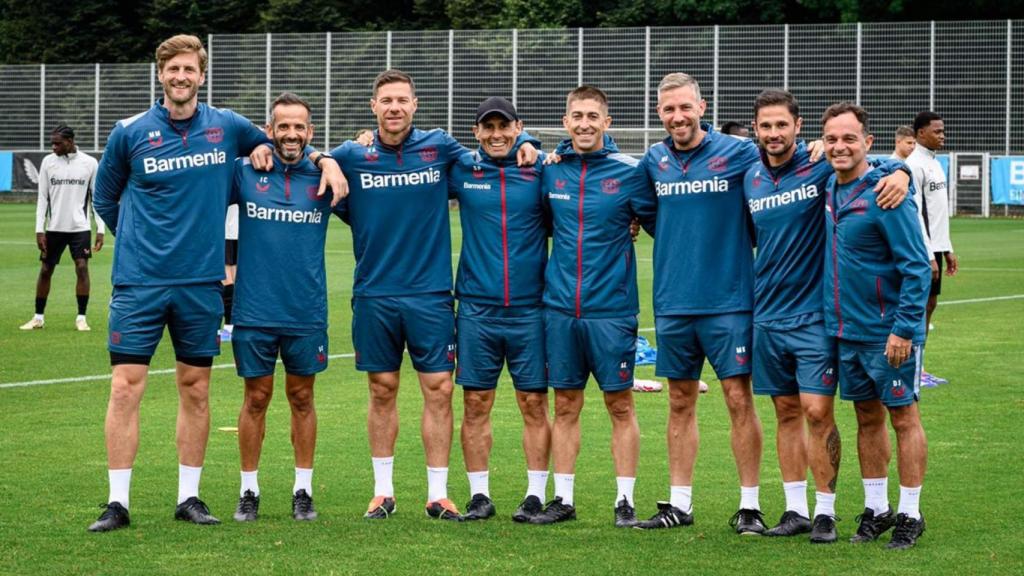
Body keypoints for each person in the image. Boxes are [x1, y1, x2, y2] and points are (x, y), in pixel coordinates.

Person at [88, 34, 345, 533]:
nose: (180, 77)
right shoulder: (129, 132)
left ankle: (189, 496)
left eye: (189, 69)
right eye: (172, 69)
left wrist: (324, 158)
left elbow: (283, 141)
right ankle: (117, 502)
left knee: (196, 389)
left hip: (201, 285)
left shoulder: (226, 126)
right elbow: (105, 196)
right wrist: (138, 241)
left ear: (202, 76)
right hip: (140, 283)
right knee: (125, 388)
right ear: (160, 74)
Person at [330, 69, 536, 522]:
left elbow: (493, 150)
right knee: (382, 390)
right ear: (373, 106)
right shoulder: (351, 155)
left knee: (440, 390)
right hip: (374, 294)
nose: (394, 108)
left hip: (431, 295)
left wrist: (532, 142)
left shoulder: (440, 147)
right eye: (386, 100)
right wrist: (325, 158)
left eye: (402, 100)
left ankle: (438, 494)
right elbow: (306, 156)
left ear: (415, 104)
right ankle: (382, 493)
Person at [745, 89, 909, 543]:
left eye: (782, 125)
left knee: (817, 412)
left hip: (815, 316)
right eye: (765, 125)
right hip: (766, 316)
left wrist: (902, 172)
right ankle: (796, 509)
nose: (774, 133)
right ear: (755, 129)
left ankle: (826, 510)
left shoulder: (819, 165)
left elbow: (864, 166)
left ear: (799, 129)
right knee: (783, 411)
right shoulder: (749, 175)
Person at [631, 72, 765, 533]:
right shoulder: (653, 161)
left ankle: (750, 505)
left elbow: (796, 160)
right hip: (672, 302)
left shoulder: (739, 152)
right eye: (668, 110)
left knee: (737, 399)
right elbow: (647, 213)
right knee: (680, 401)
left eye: (685, 107)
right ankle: (679, 504)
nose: (677, 117)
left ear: (702, 107)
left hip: (729, 300)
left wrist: (897, 168)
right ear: (659, 114)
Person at [529, 85, 647, 528]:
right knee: (565, 405)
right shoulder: (551, 173)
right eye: (576, 115)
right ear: (565, 122)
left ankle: (624, 501)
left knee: (620, 405)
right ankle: (562, 499)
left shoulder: (630, 172)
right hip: (559, 308)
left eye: (592, 116)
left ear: (607, 122)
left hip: (612, 310)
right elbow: (536, 223)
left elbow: (655, 219)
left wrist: (633, 224)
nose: (584, 123)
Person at [821, 102, 931, 550]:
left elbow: (918, 267)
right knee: (866, 418)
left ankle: (911, 512)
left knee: (903, 417)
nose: (840, 146)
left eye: (850, 138)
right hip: (848, 333)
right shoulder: (830, 186)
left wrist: (904, 329)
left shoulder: (887, 192)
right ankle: (877, 507)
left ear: (868, 142)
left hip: (890, 334)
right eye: (832, 139)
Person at [230, 92, 332, 523]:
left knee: (302, 398)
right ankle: (248, 490)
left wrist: (328, 158)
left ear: (310, 133)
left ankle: (302, 491)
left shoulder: (327, 175)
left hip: (306, 312)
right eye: (282, 126)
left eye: (299, 127)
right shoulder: (244, 172)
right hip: (253, 310)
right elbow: (211, 157)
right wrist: (248, 146)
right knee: (256, 398)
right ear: (269, 130)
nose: (291, 134)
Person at [448, 97, 551, 522]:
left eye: (505, 127)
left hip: (531, 309)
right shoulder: (462, 169)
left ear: (518, 126)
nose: (496, 134)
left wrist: (533, 142)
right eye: (487, 127)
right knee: (475, 403)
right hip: (476, 308)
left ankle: (535, 494)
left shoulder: (541, 167)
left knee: (533, 403)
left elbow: (597, 146)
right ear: (475, 133)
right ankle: (479, 494)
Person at [21, 124, 104, 332]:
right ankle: (38, 317)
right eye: (52, 143)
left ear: (70, 141)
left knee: (82, 268)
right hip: (54, 227)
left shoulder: (90, 163)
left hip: (80, 228)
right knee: (46, 269)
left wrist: (100, 229)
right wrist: (39, 229)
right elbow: (42, 198)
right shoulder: (48, 163)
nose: (53, 147)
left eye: (58, 143)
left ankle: (81, 318)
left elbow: (97, 199)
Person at [905, 111, 958, 386]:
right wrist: (927, 254)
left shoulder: (936, 163)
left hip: (936, 247)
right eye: (937, 131)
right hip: (922, 250)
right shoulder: (914, 164)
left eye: (942, 130)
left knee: (929, 305)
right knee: (920, 307)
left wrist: (946, 248)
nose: (942, 135)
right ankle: (912, 369)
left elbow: (936, 211)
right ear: (921, 133)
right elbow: (915, 212)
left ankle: (919, 367)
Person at [220, 204, 238, 342]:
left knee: (227, 279)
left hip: (224, 228)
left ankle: (227, 332)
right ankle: (233, 328)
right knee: (234, 280)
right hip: (240, 228)